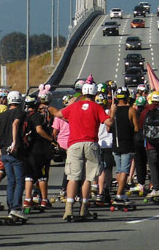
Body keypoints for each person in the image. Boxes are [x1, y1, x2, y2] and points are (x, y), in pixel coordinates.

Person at [47, 81, 113, 221]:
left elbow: (59, 114)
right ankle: (84, 208)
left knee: (73, 177)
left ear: (82, 93)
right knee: (88, 178)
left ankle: (69, 209)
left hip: (74, 144)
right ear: (95, 94)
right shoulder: (97, 107)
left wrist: (51, 109)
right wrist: (112, 112)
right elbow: (108, 123)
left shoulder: (73, 106)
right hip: (91, 143)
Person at [0, 90, 25, 221]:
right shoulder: (20, 112)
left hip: (3, 150)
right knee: (19, 181)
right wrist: (14, 142)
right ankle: (16, 208)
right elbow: (15, 124)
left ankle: (10, 207)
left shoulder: (2, 115)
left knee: (11, 181)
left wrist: (2, 142)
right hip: (14, 151)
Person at [110, 88, 138, 206]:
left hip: (116, 143)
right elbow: (136, 127)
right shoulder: (131, 110)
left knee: (119, 170)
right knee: (125, 171)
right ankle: (119, 194)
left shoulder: (113, 110)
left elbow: (109, 126)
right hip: (127, 143)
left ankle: (120, 194)